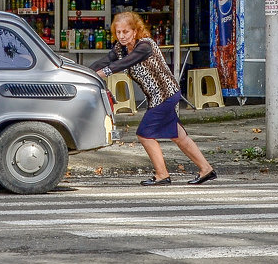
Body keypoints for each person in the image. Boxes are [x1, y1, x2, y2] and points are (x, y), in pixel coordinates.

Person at [90, 11, 217, 186]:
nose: (121, 36)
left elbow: (123, 64)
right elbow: (105, 61)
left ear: (135, 31)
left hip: (165, 95)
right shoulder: (120, 49)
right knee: (179, 137)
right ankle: (206, 169)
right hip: (157, 97)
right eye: (118, 32)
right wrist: (84, 73)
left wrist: (102, 73)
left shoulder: (145, 45)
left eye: (126, 32)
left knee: (144, 134)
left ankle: (162, 175)